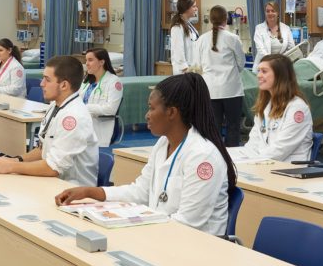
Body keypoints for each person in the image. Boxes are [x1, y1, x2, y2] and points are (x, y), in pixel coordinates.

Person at [55, 73, 237, 238]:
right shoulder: (163, 144)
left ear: (172, 112)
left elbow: (188, 223)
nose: (147, 115)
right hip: (166, 236)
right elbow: (140, 192)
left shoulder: (203, 156)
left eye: (151, 108)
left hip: (196, 247)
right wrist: (89, 191)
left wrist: (136, 229)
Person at [0, 56, 98, 186]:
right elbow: (43, 149)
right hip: (52, 182)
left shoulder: (74, 117)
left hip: (73, 189)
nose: (41, 84)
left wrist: (12, 166)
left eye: (47, 80)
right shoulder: (55, 105)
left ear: (64, 85)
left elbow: (53, 168)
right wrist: (16, 160)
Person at [241, 54, 313, 161]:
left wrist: (249, 161)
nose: (258, 75)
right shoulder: (265, 105)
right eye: (259, 71)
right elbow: (253, 143)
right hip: (264, 163)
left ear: (280, 75)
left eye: (264, 71)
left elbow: (280, 150)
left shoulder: (297, 108)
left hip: (288, 169)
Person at [193, 5, 245, 147]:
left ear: (210, 20)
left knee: (212, 127)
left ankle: (215, 158)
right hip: (231, 90)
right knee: (233, 126)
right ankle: (233, 159)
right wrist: (231, 73)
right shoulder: (233, 38)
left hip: (210, 91)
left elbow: (197, 65)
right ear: (226, 19)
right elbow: (241, 63)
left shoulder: (201, 40)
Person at [78, 48, 123, 147]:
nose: (87, 64)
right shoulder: (86, 82)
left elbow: (111, 109)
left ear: (101, 62)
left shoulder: (114, 82)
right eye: (86, 60)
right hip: (83, 125)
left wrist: (86, 108)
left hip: (99, 128)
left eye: (90, 60)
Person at [253, 1, 295, 71]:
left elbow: (291, 48)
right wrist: (273, 63)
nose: (270, 13)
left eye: (273, 11)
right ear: (265, 13)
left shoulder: (286, 28)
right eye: (267, 11)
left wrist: (282, 62)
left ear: (278, 13)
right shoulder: (259, 28)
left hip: (280, 67)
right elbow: (261, 50)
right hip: (264, 67)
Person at [169, 0, 199, 75]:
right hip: (184, 71)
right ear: (186, 8)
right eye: (194, 6)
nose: (196, 9)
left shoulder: (188, 24)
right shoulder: (177, 27)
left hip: (191, 68)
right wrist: (186, 68)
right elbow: (178, 50)